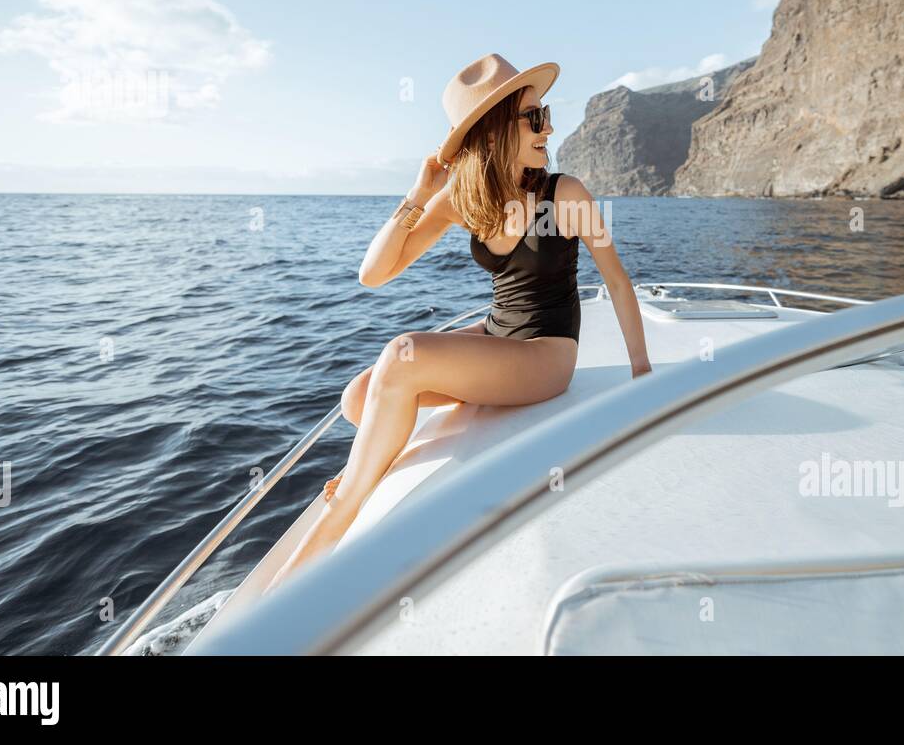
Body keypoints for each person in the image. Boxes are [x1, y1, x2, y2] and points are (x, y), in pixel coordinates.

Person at [264, 53, 651, 593]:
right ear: (495, 131)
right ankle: (370, 466)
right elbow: (373, 274)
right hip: (496, 336)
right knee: (358, 397)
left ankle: (336, 519)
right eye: (535, 118)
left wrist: (642, 371)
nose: (550, 127)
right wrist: (417, 196)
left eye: (546, 115)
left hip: (546, 354)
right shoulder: (461, 199)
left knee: (402, 356)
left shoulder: (565, 194)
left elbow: (615, 280)